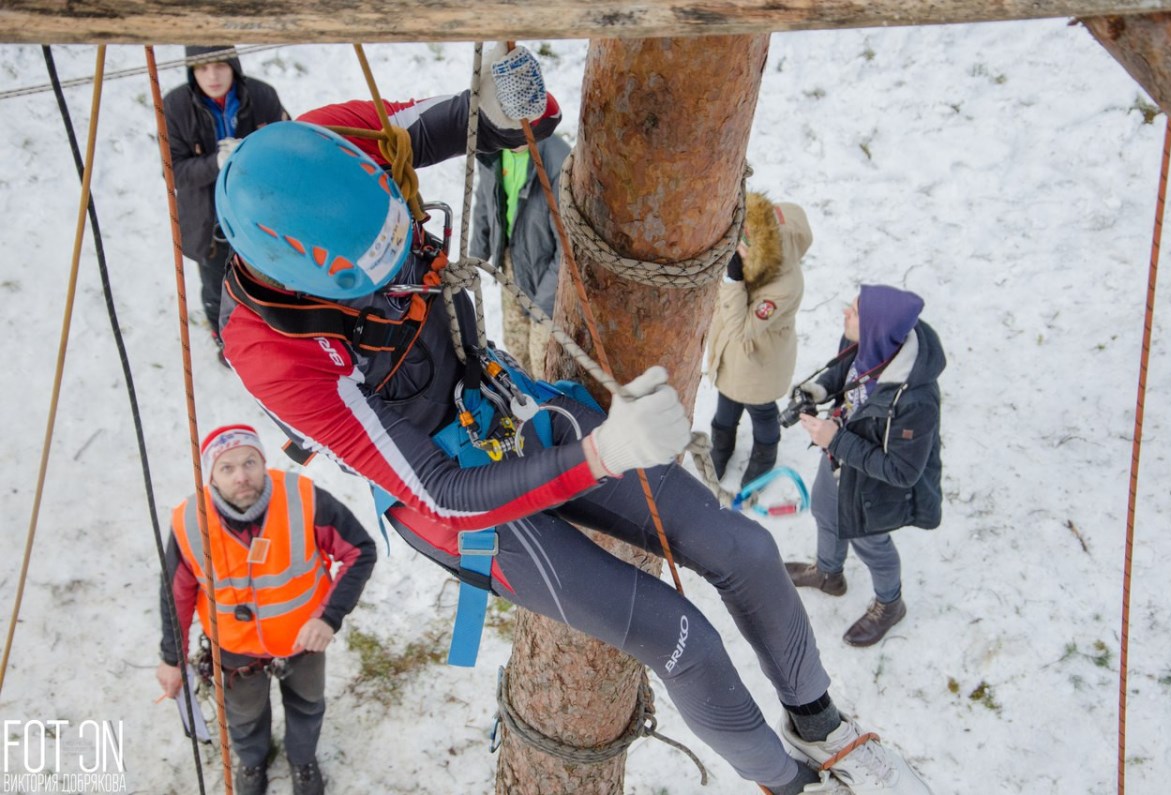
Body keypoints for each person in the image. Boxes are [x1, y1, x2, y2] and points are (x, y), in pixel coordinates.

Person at [211, 44, 930, 795]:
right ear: (305, 279)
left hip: (504, 401)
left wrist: (507, 104)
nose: (399, 274)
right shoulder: (274, 351)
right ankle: (790, 786)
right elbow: (441, 491)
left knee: (743, 548)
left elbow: (479, 124)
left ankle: (819, 720)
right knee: (680, 637)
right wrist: (606, 453)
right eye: (375, 275)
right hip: (454, 498)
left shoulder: (333, 144)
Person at [155, 424, 377, 795]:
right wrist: (171, 657)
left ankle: (302, 760)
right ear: (211, 476)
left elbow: (360, 551)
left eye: (250, 462)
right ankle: (253, 761)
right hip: (234, 648)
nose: (241, 476)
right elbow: (175, 593)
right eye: (227, 468)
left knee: (307, 705)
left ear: (263, 462)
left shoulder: (303, 497)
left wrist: (328, 618)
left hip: (304, 639)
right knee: (243, 716)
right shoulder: (189, 521)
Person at [789, 285, 944, 648]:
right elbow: (846, 370)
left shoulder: (917, 401)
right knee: (824, 510)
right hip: (839, 458)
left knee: (871, 544)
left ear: (876, 327)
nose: (846, 313)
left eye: (855, 311)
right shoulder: (870, 344)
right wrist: (818, 391)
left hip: (875, 485)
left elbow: (903, 471)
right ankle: (828, 574)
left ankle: (890, 604)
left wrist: (835, 439)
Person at [163, 45, 289, 363]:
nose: (212, 76)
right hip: (209, 223)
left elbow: (287, 145)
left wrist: (252, 154)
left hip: (259, 216)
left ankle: (271, 334)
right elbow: (174, 171)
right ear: (192, 71)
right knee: (216, 287)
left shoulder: (262, 96)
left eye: (220, 65)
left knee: (268, 277)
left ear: (233, 65)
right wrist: (216, 162)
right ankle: (225, 340)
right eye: (202, 68)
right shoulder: (176, 106)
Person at [706, 192, 812, 487]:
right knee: (726, 402)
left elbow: (742, 330)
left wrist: (733, 280)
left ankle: (765, 455)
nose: (738, 246)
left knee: (761, 410)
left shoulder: (783, 287)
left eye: (745, 243)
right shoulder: (755, 255)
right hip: (732, 355)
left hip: (758, 361)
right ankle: (722, 445)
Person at [470, 134, 571, 379]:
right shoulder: (493, 151)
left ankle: (550, 401)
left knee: (543, 360)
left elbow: (567, 247)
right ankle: (525, 399)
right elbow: (485, 201)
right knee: (515, 350)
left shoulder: (557, 161)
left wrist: (545, 302)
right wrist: (476, 255)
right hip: (511, 263)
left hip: (548, 272)